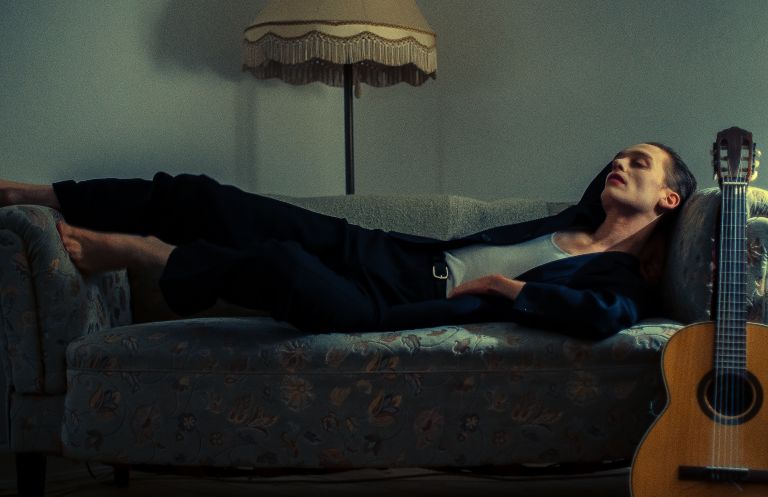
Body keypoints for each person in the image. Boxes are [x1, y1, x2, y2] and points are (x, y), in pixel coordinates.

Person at [0, 142, 696, 339]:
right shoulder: (566, 221)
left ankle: (145, 254)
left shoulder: (619, 277)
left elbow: (605, 318)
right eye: (618, 157)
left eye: (640, 163)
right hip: (391, 255)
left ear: (670, 199)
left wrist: (510, 290)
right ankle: (40, 194)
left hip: (388, 308)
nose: (620, 163)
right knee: (202, 195)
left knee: (280, 266)